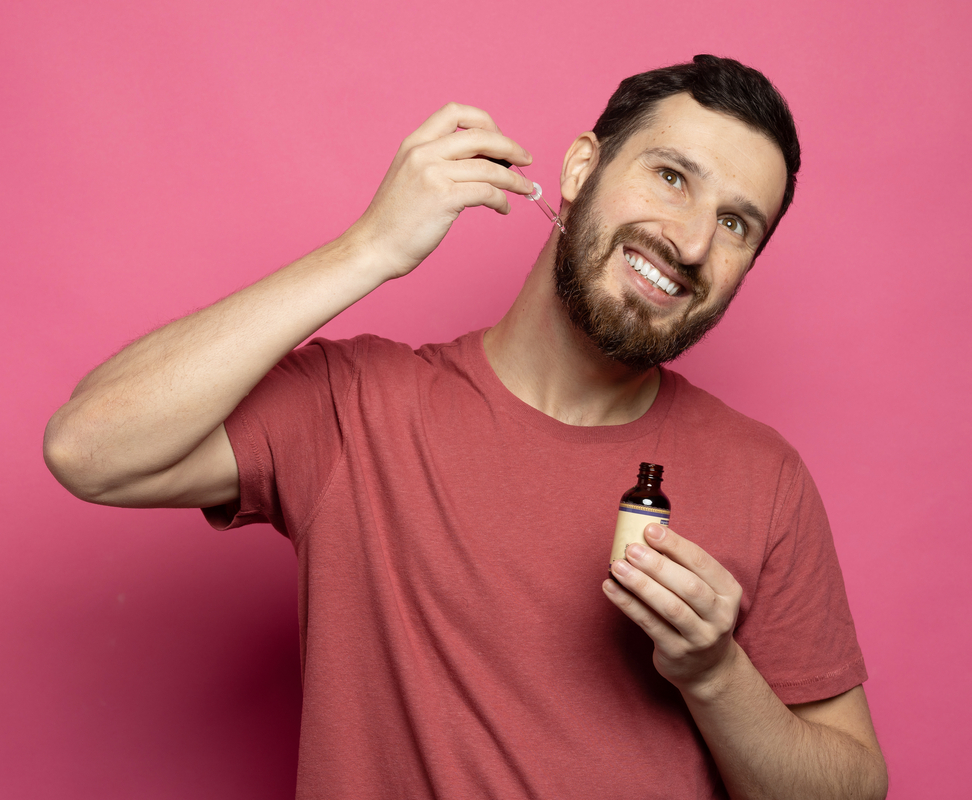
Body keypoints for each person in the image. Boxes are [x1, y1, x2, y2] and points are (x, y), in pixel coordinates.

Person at [44, 55, 888, 799]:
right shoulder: (360, 409)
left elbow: (852, 787)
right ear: (582, 166)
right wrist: (370, 247)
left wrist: (715, 675)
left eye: (737, 224)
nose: (693, 241)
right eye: (671, 176)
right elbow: (90, 449)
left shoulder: (764, 476)